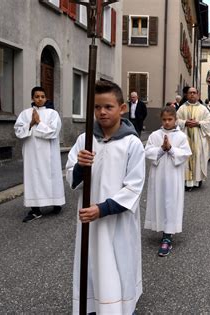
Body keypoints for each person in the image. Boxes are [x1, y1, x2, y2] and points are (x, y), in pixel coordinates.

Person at [66, 80, 145, 314]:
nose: (102, 112)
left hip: (116, 220)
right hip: (90, 219)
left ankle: (117, 308)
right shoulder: (85, 140)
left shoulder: (132, 144)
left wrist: (102, 209)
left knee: (117, 264)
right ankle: (92, 305)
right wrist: (80, 167)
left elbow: (134, 187)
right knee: (91, 263)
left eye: (108, 107)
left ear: (121, 108)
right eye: (98, 107)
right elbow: (71, 176)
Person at [144, 107, 192, 256]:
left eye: (170, 119)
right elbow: (147, 151)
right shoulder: (155, 135)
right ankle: (160, 227)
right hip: (158, 175)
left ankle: (168, 236)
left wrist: (170, 149)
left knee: (171, 202)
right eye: (164, 119)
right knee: (159, 200)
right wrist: (160, 149)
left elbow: (185, 153)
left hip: (173, 175)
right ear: (161, 120)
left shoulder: (181, 137)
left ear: (175, 120)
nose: (167, 122)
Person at [14, 86, 65, 222]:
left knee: (51, 176)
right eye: (37, 96)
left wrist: (39, 122)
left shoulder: (52, 113)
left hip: (49, 153)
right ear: (32, 98)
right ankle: (35, 210)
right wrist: (30, 123)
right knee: (34, 179)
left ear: (46, 98)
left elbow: (54, 132)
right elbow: (18, 131)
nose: (40, 99)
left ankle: (56, 202)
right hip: (32, 153)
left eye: (42, 96)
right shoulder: (25, 114)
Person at [176, 87, 210, 190]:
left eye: (194, 93)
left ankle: (197, 181)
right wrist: (185, 122)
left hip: (199, 138)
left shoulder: (203, 109)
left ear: (198, 95)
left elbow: (209, 122)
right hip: (185, 138)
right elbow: (175, 121)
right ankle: (186, 182)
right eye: (190, 93)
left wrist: (198, 123)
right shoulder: (182, 108)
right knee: (186, 158)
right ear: (187, 95)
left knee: (198, 157)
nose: (192, 94)